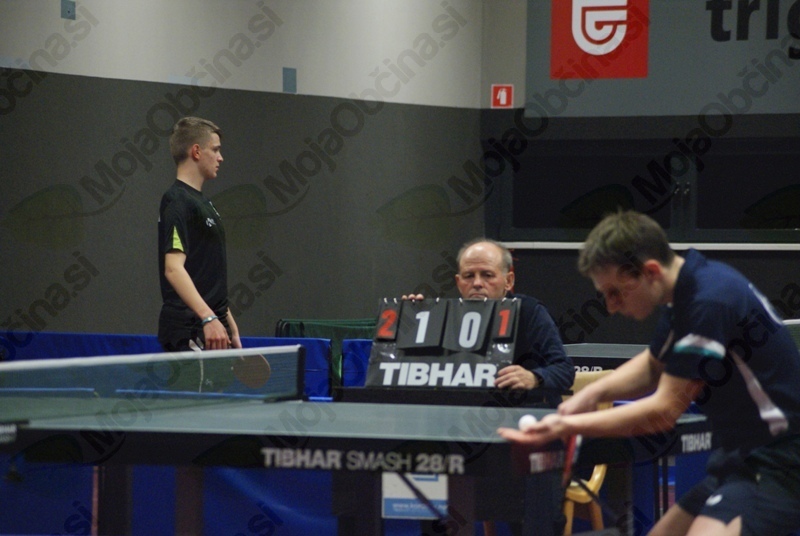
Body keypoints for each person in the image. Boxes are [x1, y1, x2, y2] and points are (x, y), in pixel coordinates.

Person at [498, 210, 800, 536]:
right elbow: (653, 365)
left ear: (651, 271)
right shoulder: (691, 286)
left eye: (616, 292)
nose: (611, 306)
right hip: (739, 459)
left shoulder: (708, 303)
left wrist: (565, 426)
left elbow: (664, 410)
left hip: (780, 461)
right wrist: (590, 395)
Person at [405, 238, 575, 397]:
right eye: (469, 276)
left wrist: (535, 377)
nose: (477, 283)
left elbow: (564, 370)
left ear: (509, 281)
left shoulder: (529, 311)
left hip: (519, 410)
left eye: (487, 275)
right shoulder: (441, 315)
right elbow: (417, 371)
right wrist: (408, 324)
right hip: (457, 409)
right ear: (458, 282)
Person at [157, 116, 241, 352]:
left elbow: (208, 277)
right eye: (215, 149)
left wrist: (230, 326)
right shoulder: (176, 201)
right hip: (190, 329)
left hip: (213, 329)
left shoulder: (204, 204)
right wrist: (208, 317)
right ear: (196, 151)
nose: (220, 157)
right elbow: (173, 269)